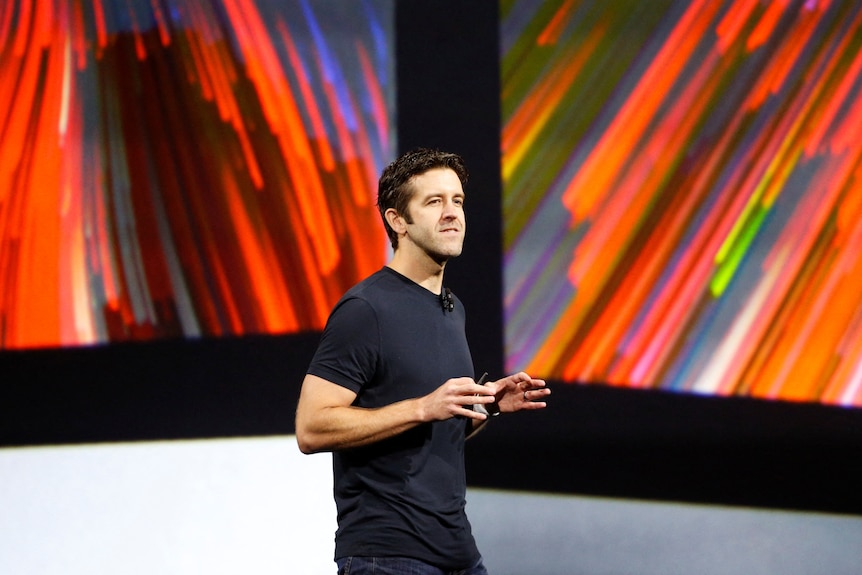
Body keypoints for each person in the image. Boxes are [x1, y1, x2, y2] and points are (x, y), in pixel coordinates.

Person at [295, 148, 550, 575]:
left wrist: (485, 404)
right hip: (388, 555)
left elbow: (429, 434)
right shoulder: (366, 309)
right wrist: (421, 406)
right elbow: (311, 426)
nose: (452, 213)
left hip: (456, 551)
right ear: (398, 221)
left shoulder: (452, 308)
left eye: (457, 201)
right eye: (434, 202)